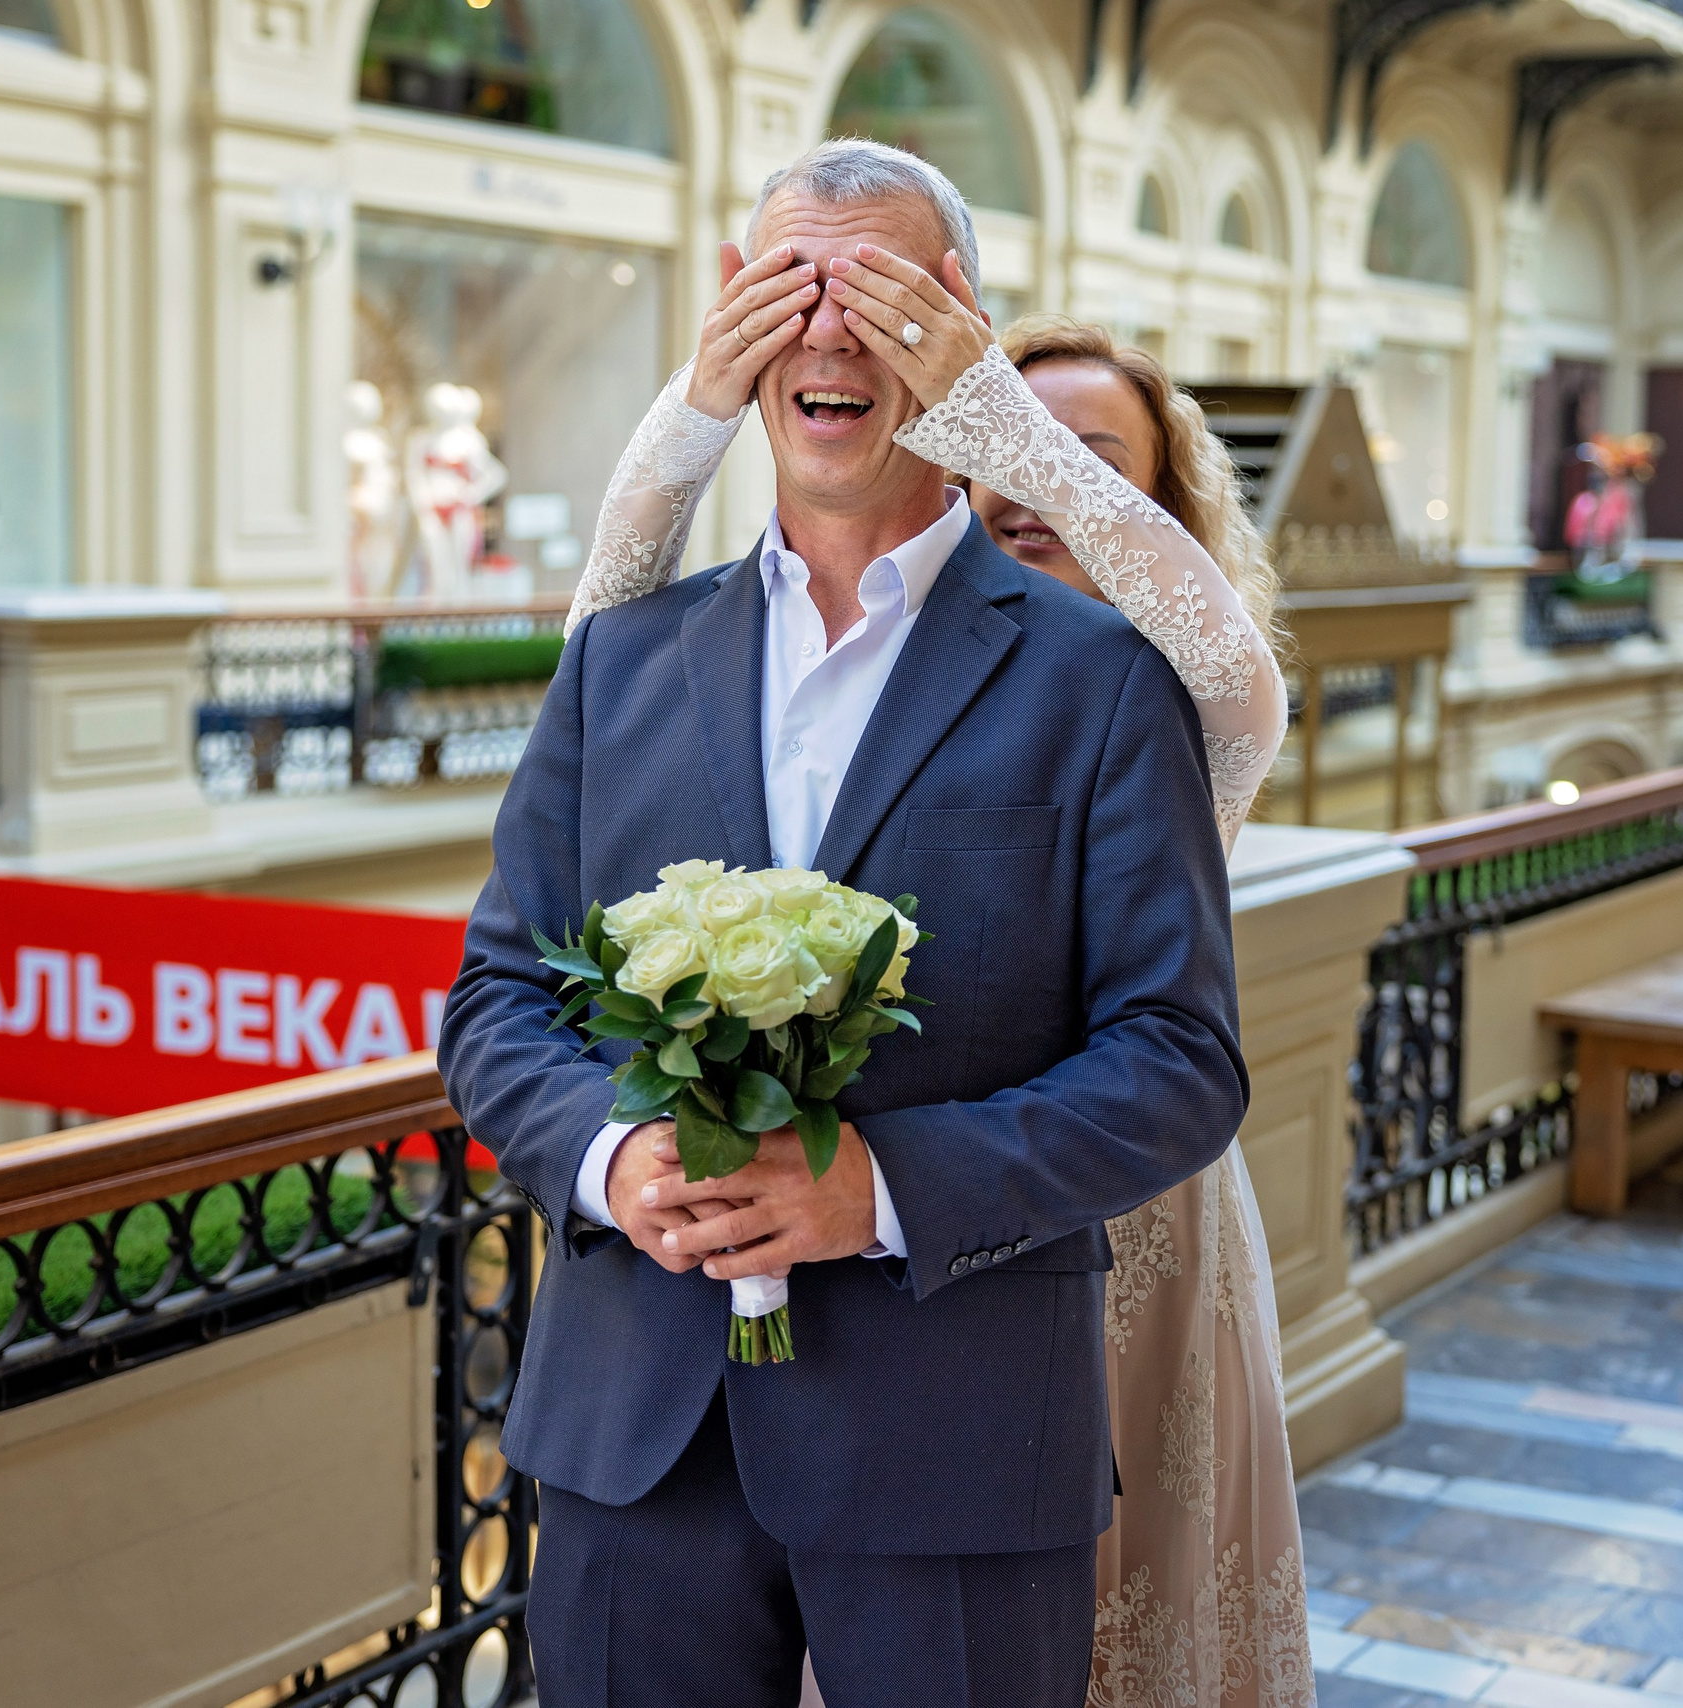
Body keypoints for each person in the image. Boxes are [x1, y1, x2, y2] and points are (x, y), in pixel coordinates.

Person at [438, 138, 1249, 1708]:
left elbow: (1180, 1061)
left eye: (870, 290)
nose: (823, 332)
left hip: (959, 1452)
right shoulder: (620, 660)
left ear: (953, 333)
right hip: (631, 1444)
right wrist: (614, 1158)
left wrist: (881, 1186)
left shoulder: (1103, 679)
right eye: (784, 288)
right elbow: (494, 999)